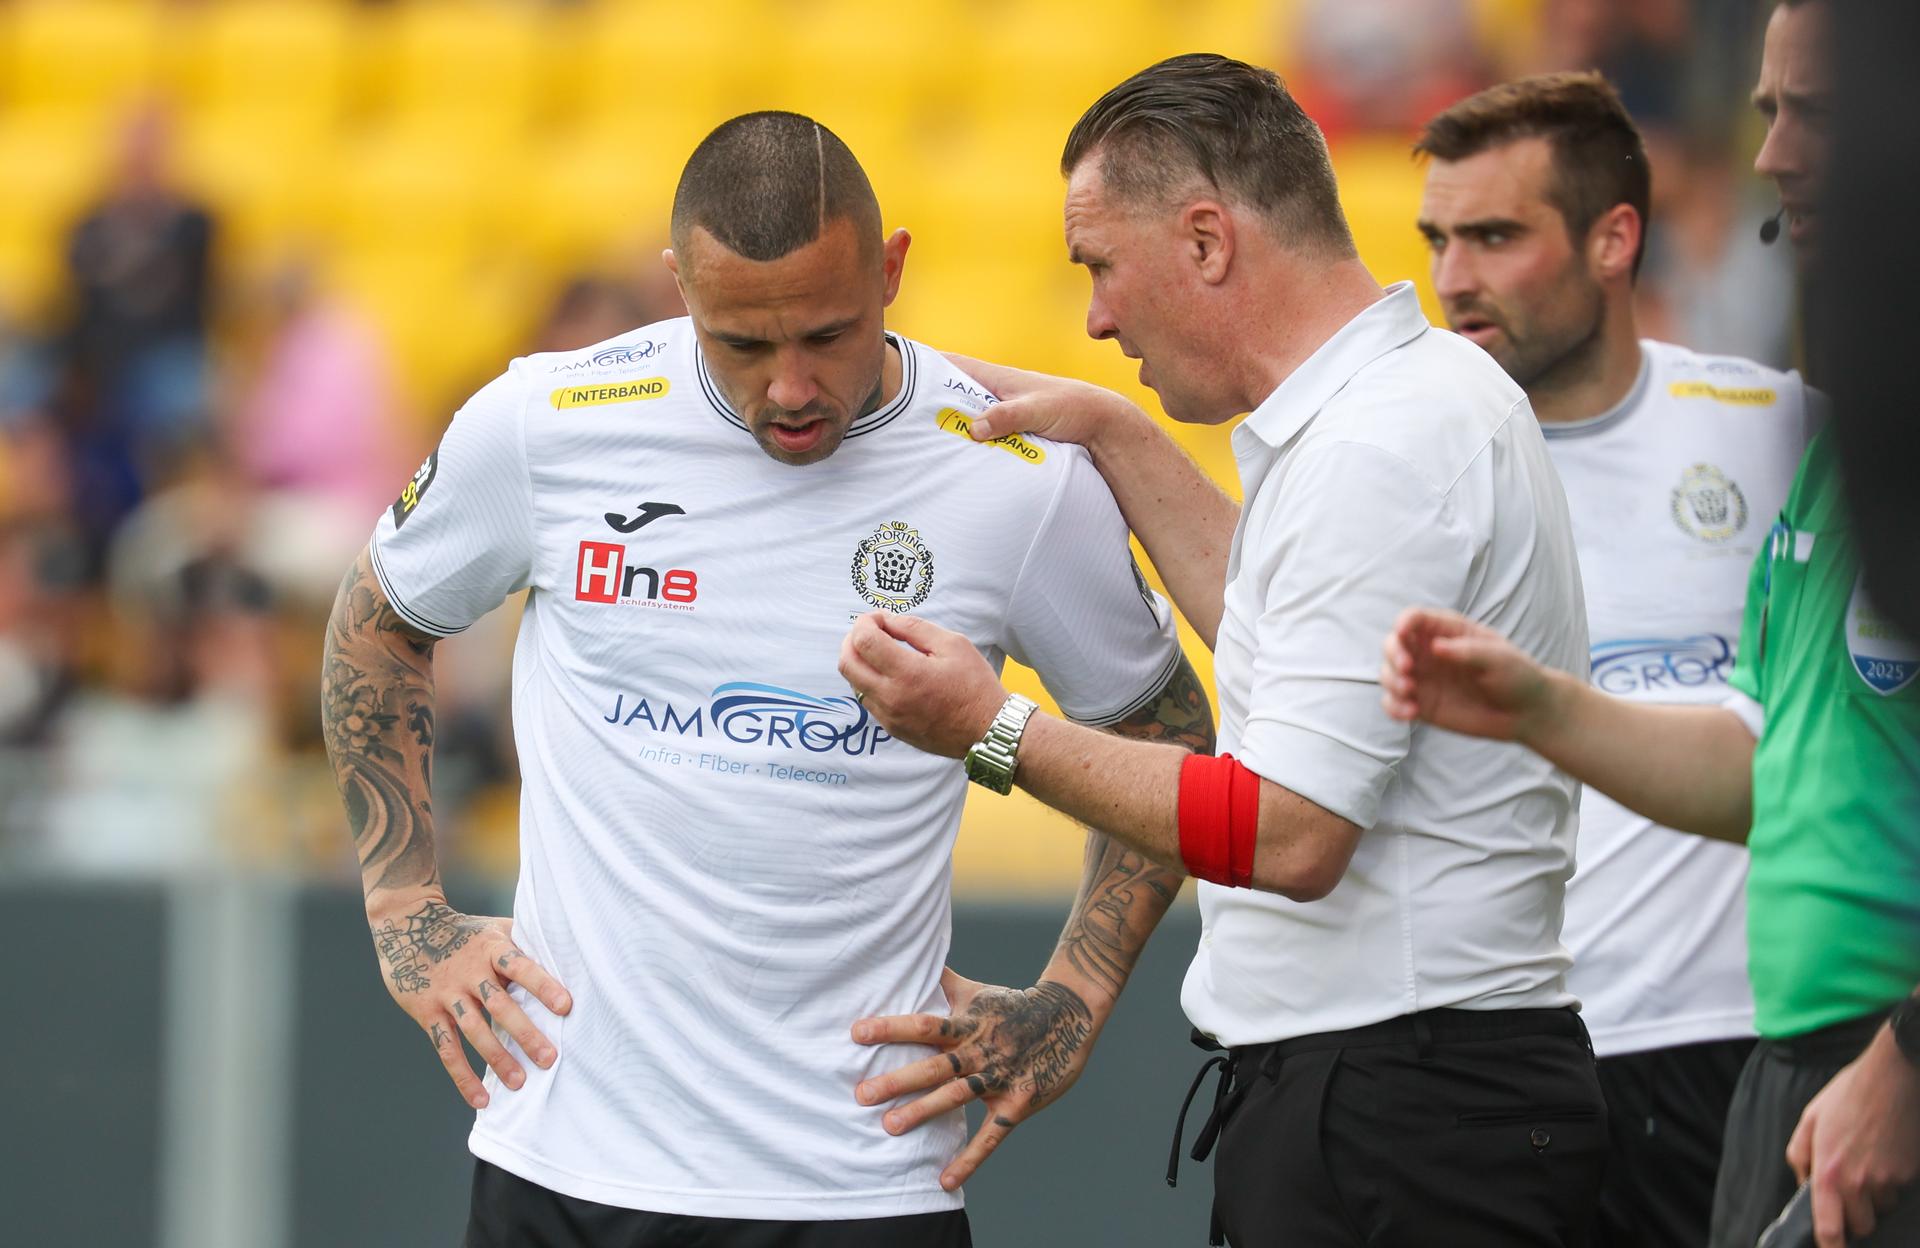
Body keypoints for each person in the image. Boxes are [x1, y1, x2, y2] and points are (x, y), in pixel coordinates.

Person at [320, 111, 1213, 1247]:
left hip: (856, 1188)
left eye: (827, 335)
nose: (790, 385)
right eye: (741, 344)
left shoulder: (1011, 473)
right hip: (562, 1168)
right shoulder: (547, 426)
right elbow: (380, 620)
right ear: (680, 282)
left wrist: (1075, 994)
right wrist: (406, 909)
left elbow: (1165, 728)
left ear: (891, 268)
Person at [840, 53, 1605, 1247]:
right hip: (1414, 1099)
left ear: (1206, 241)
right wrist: (1118, 435)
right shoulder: (1394, 412)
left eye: (1099, 264)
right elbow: (1286, 640)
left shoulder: (1382, 449)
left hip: (1410, 1116)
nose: (1094, 314)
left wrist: (988, 730)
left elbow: (1291, 832)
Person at [1383, 11, 1920, 1245]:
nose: (1773, 155)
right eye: (1437, 241)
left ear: (1615, 240)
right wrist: (1541, 708)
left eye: (1817, 114)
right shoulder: (1829, 468)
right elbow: (1758, 761)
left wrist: (1907, 1053)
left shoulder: (1781, 425)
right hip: (1681, 1066)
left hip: (1813, 1051)